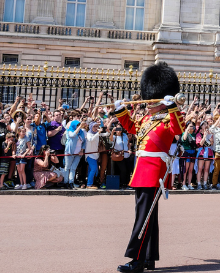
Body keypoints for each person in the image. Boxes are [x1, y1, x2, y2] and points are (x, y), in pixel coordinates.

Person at [114, 62, 184, 273]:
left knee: (143, 217)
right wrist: (121, 111)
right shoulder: (147, 117)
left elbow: (178, 128)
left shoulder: (168, 118)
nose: (149, 102)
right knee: (148, 216)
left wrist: (173, 107)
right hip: (141, 171)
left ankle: (136, 260)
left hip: (154, 172)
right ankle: (147, 259)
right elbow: (132, 128)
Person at [84, 122, 102, 189]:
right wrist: (98, 133)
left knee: (91, 170)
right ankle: (89, 184)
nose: (96, 128)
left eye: (96, 126)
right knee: (94, 168)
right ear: (91, 127)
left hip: (95, 154)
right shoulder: (89, 134)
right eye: (94, 126)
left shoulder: (97, 134)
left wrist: (108, 131)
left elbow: (106, 134)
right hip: (89, 155)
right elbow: (90, 139)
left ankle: (89, 183)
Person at [180, 123, 197, 190]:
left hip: (193, 152)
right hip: (186, 152)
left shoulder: (194, 134)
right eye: (190, 126)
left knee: (190, 170)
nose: (192, 128)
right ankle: (183, 184)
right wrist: (186, 130)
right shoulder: (184, 133)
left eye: (193, 126)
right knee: (185, 169)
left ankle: (189, 184)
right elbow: (184, 139)